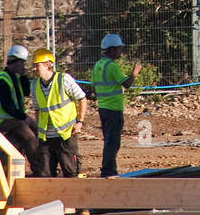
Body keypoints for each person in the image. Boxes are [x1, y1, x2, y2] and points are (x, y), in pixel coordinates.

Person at [91, 33, 142, 178]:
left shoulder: (98, 65)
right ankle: (108, 171)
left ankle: (108, 169)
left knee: (108, 140)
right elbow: (127, 83)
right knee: (113, 142)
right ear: (111, 49)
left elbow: (94, 89)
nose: (120, 52)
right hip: (114, 109)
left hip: (103, 108)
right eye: (118, 49)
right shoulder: (111, 66)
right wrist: (135, 73)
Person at [32, 49, 86, 179]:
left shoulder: (64, 80)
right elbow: (38, 110)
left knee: (71, 172)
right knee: (45, 174)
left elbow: (82, 98)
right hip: (46, 137)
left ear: (47, 64)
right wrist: (39, 133)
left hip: (66, 134)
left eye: (36, 65)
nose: (34, 69)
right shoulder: (34, 86)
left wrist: (80, 121)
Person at [0, 45, 41, 173]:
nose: (23, 66)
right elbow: (7, 106)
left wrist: (23, 76)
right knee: (29, 137)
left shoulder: (15, 78)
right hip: (5, 120)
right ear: (15, 63)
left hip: (15, 118)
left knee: (39, 130)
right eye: (22, 63)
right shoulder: (1, 80)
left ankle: (45, 163)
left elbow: (26, 92)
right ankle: (38, 168)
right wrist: (24, 118)